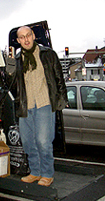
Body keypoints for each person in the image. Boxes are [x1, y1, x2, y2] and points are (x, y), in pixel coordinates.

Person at [6, 26, 68, 187]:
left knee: (43, 141)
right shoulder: (18, 60)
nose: (26, 39)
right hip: (26, 106)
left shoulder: (48, 54)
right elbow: (11, 86)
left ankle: (47, 173)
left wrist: (62, 98)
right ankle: (35, 171)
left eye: (28, 35)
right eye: (22, 37)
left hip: (44, 104)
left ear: (33, 36)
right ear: (18, 41)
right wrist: (10, 68)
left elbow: (58, 78)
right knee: (27, 142)